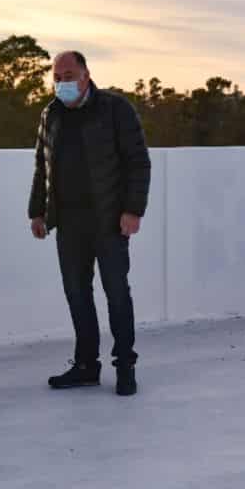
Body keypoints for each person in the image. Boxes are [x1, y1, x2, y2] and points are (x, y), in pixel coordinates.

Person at [28, 51, 152, 396]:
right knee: (77, 294)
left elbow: (138, 163)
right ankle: (85, 366)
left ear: (86, 75)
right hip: (68, 223)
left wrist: (133, 210)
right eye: (57, 76)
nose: (62, 82)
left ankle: (125, 367)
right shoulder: (49, 114)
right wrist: (37, 212)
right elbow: (42, 167)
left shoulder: (115, 109)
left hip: (109, 221)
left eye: (69, 75)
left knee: (116, 293)